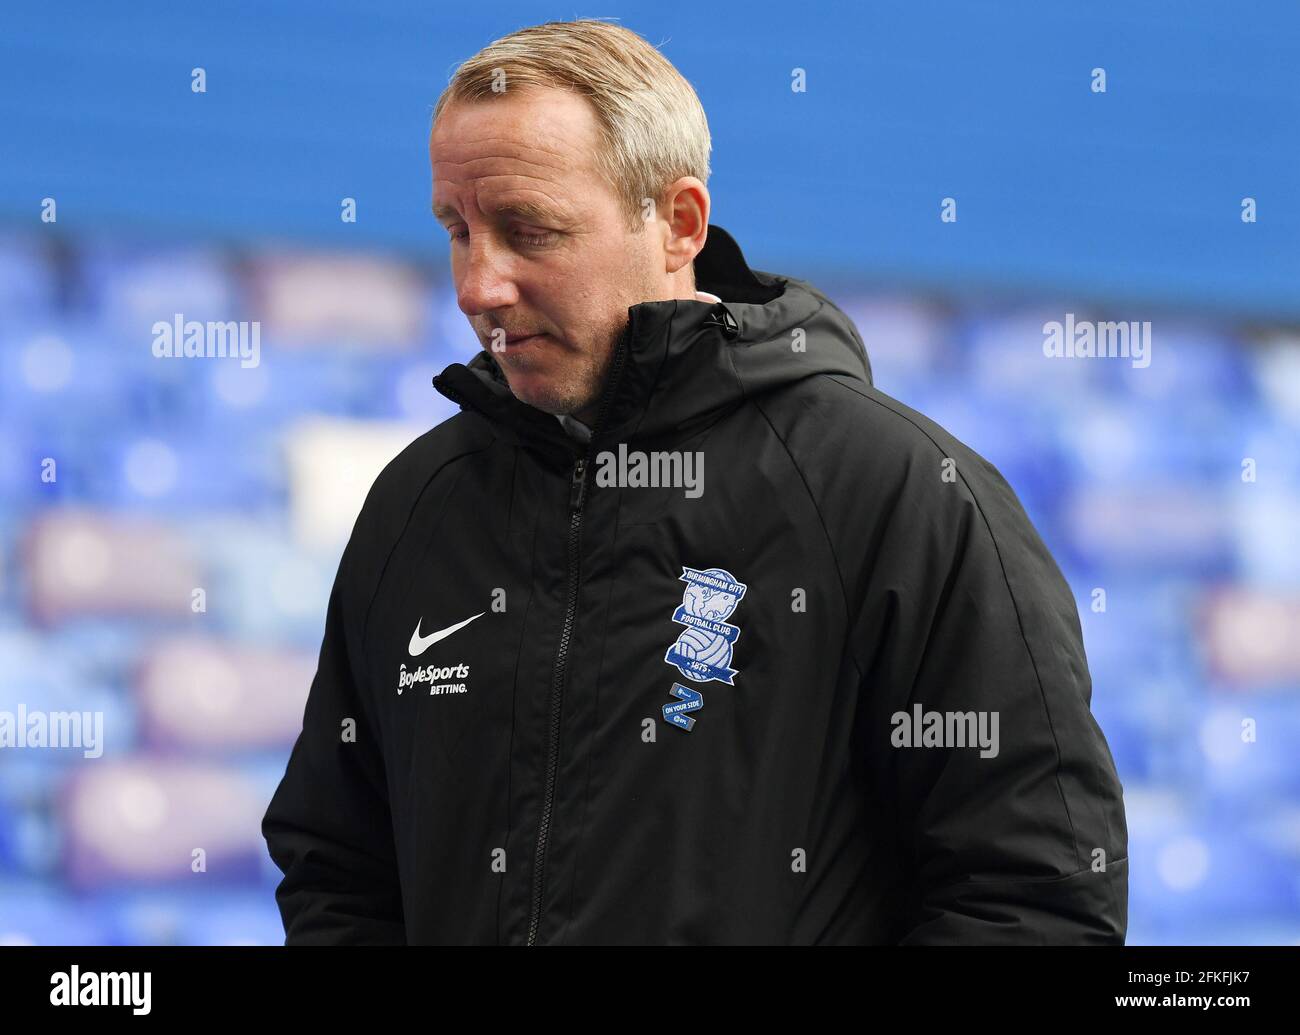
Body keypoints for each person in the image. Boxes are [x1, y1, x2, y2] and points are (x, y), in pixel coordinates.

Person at [261, 18, 1128, 945]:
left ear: (677, 223)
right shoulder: (416, 509)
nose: (479, 285)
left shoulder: (903, 495)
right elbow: (338, 874)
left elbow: (1036, 902)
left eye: (528, 231)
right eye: (459, 230)